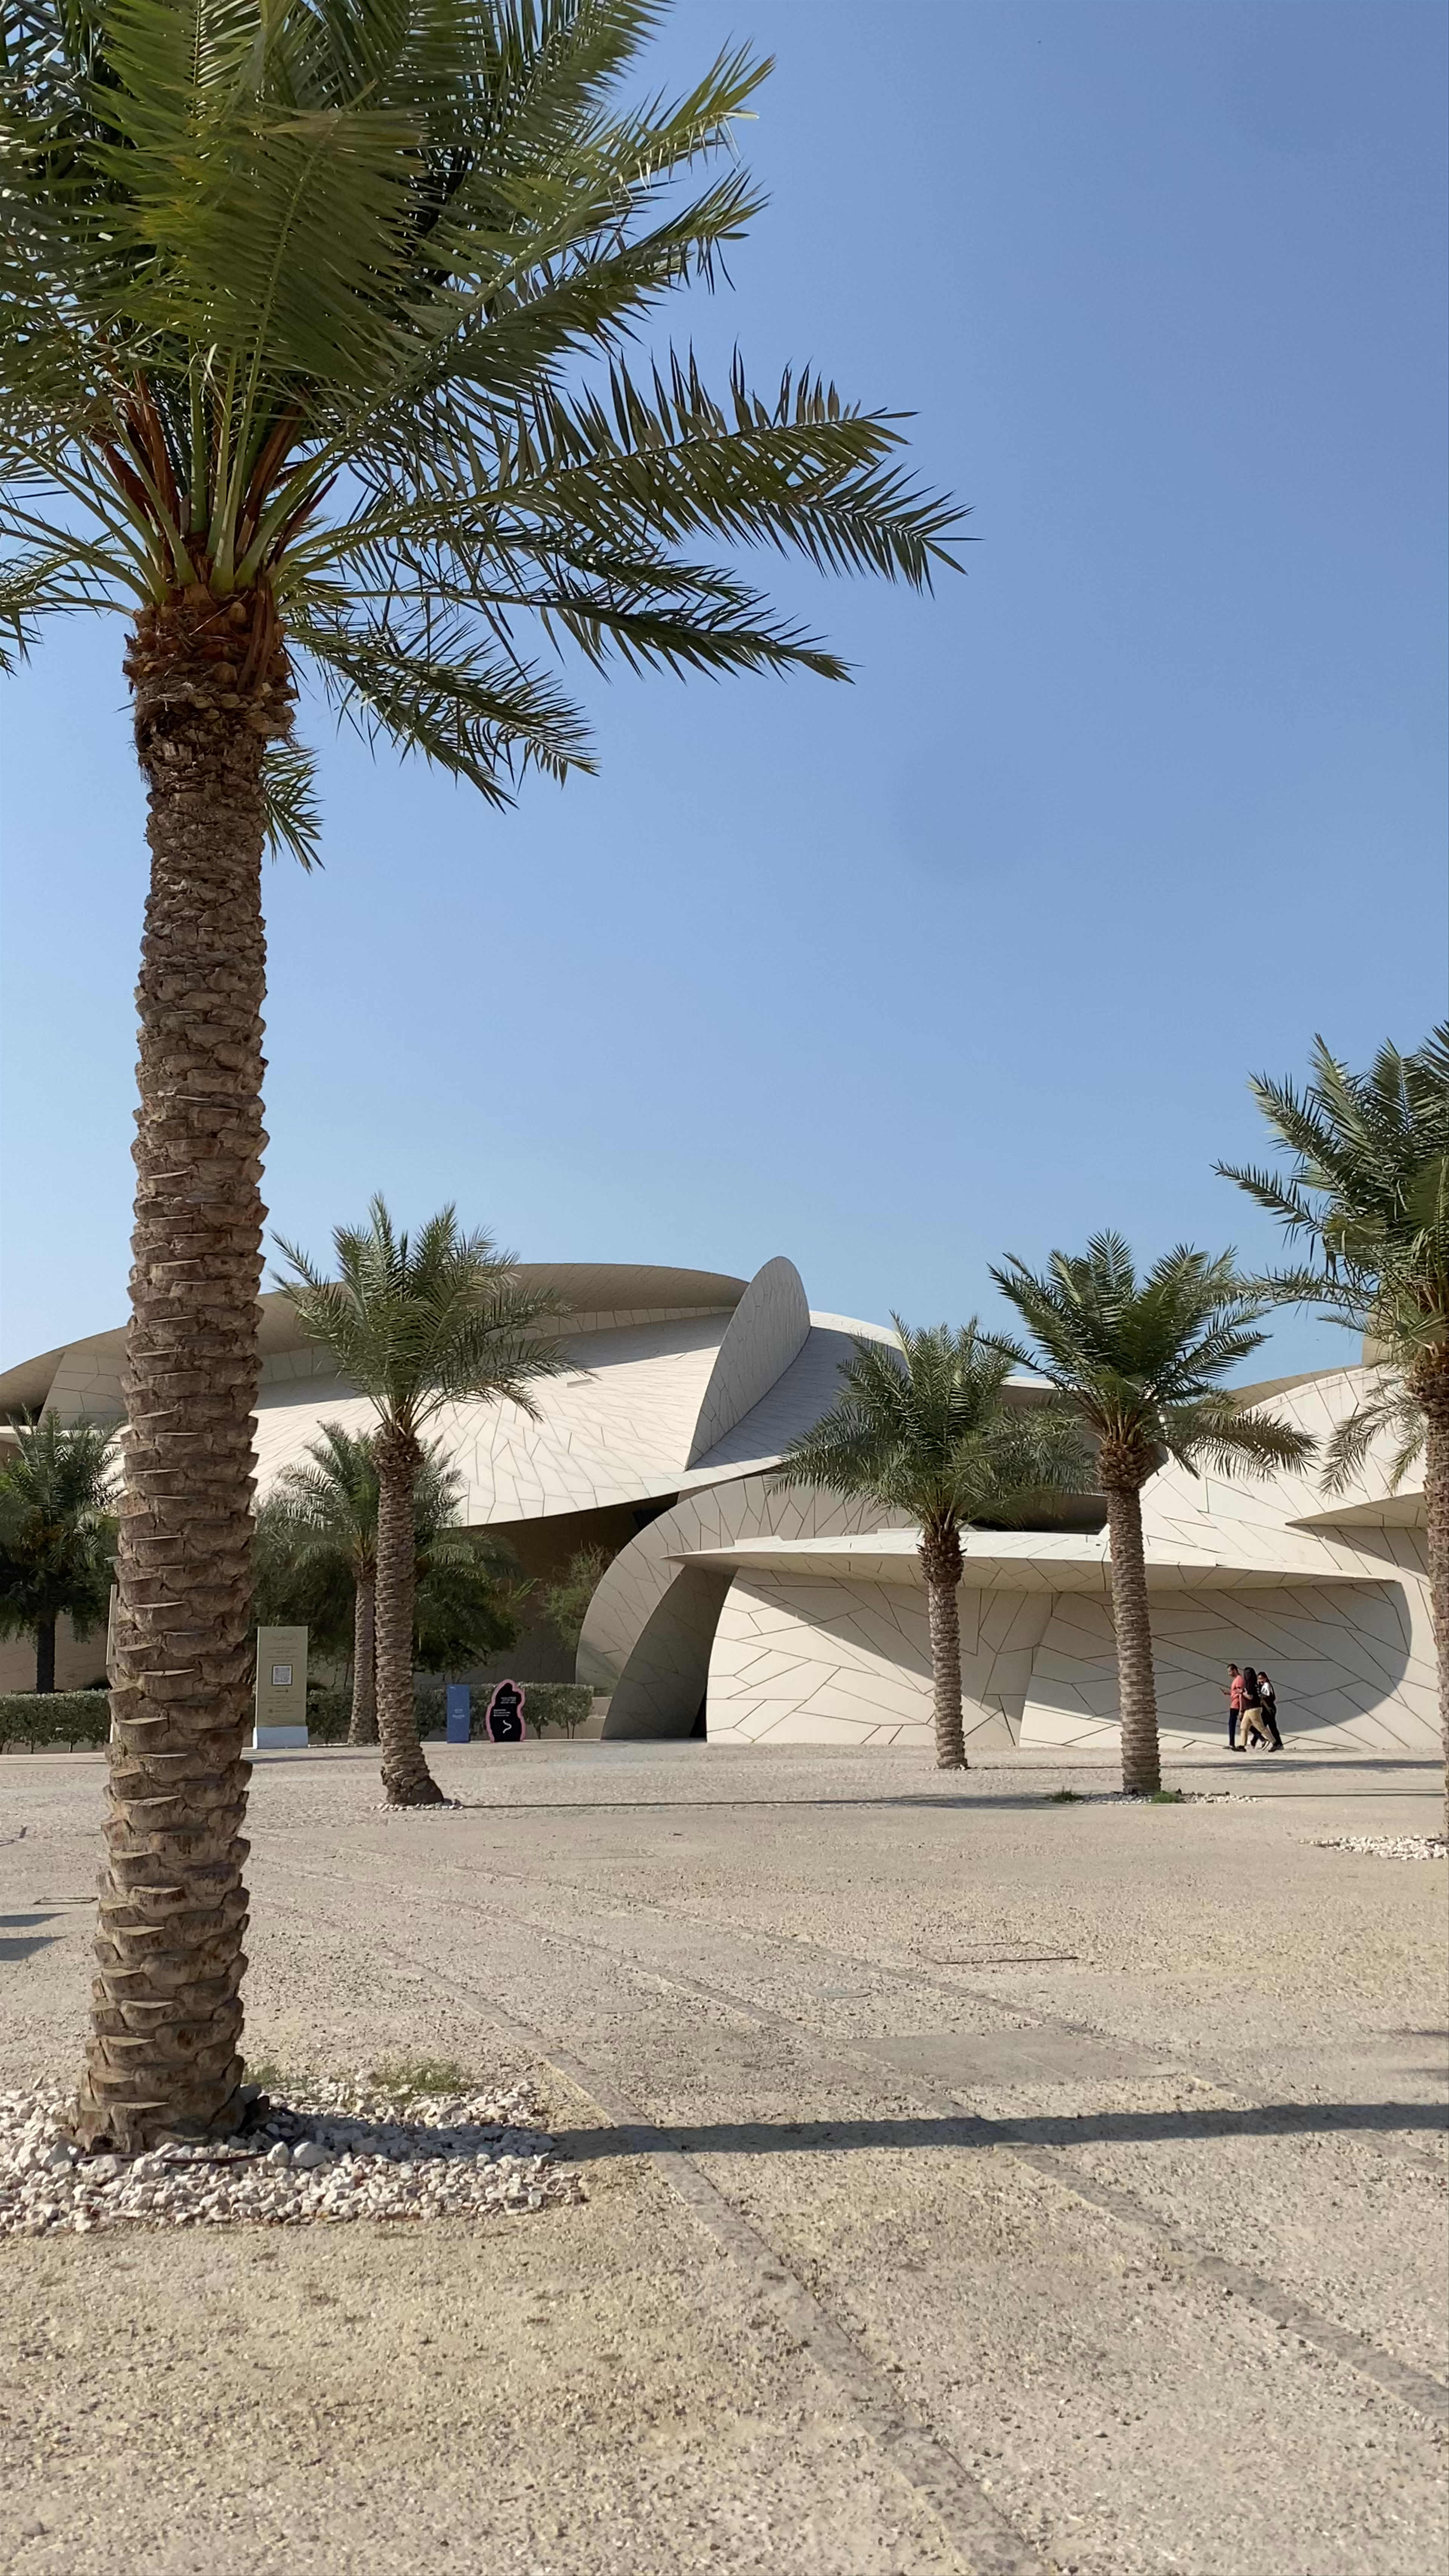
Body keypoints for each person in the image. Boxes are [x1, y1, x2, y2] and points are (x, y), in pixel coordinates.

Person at [1239, 1665, 1271, 1749]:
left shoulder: (1250, 1685)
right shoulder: (1256, 1685)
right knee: (1244, 1727)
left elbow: (1250, 1697)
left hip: (1253, 1708)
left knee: (1259, 1726)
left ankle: (1270, 1740)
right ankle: (1242, 1746)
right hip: (1253, 1708)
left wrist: (1242, 1693)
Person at [1256, 1669, 1283, 1750]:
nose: (1260, 1681)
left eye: (1262, 1679)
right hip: (1266, 1710)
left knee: (1271, 1727)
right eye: (1259, 1679)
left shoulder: (1267, 1685)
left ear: (1265, 1678)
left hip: (1270, 1709)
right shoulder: (1263, 1686)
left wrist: (1261, 1696)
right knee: (1263, 1726)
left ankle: (1277, 1743)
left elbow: (1267, 1697)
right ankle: (1274, 1743)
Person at [1223, 1662, 1245, 1750]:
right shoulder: (1237, 1679)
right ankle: (1231, 1743)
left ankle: (1262, 1738)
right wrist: (1229, 1693)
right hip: (1234, 1704)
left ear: (1235, 1670)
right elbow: (1236, 1693)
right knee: (1244, 1724)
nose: (1229, 1674)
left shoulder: (1239, 1680)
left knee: (1233, 1724)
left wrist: (1241, 1709)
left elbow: (1241, 1694)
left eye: (1230, 1672)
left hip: (1236, 1706)